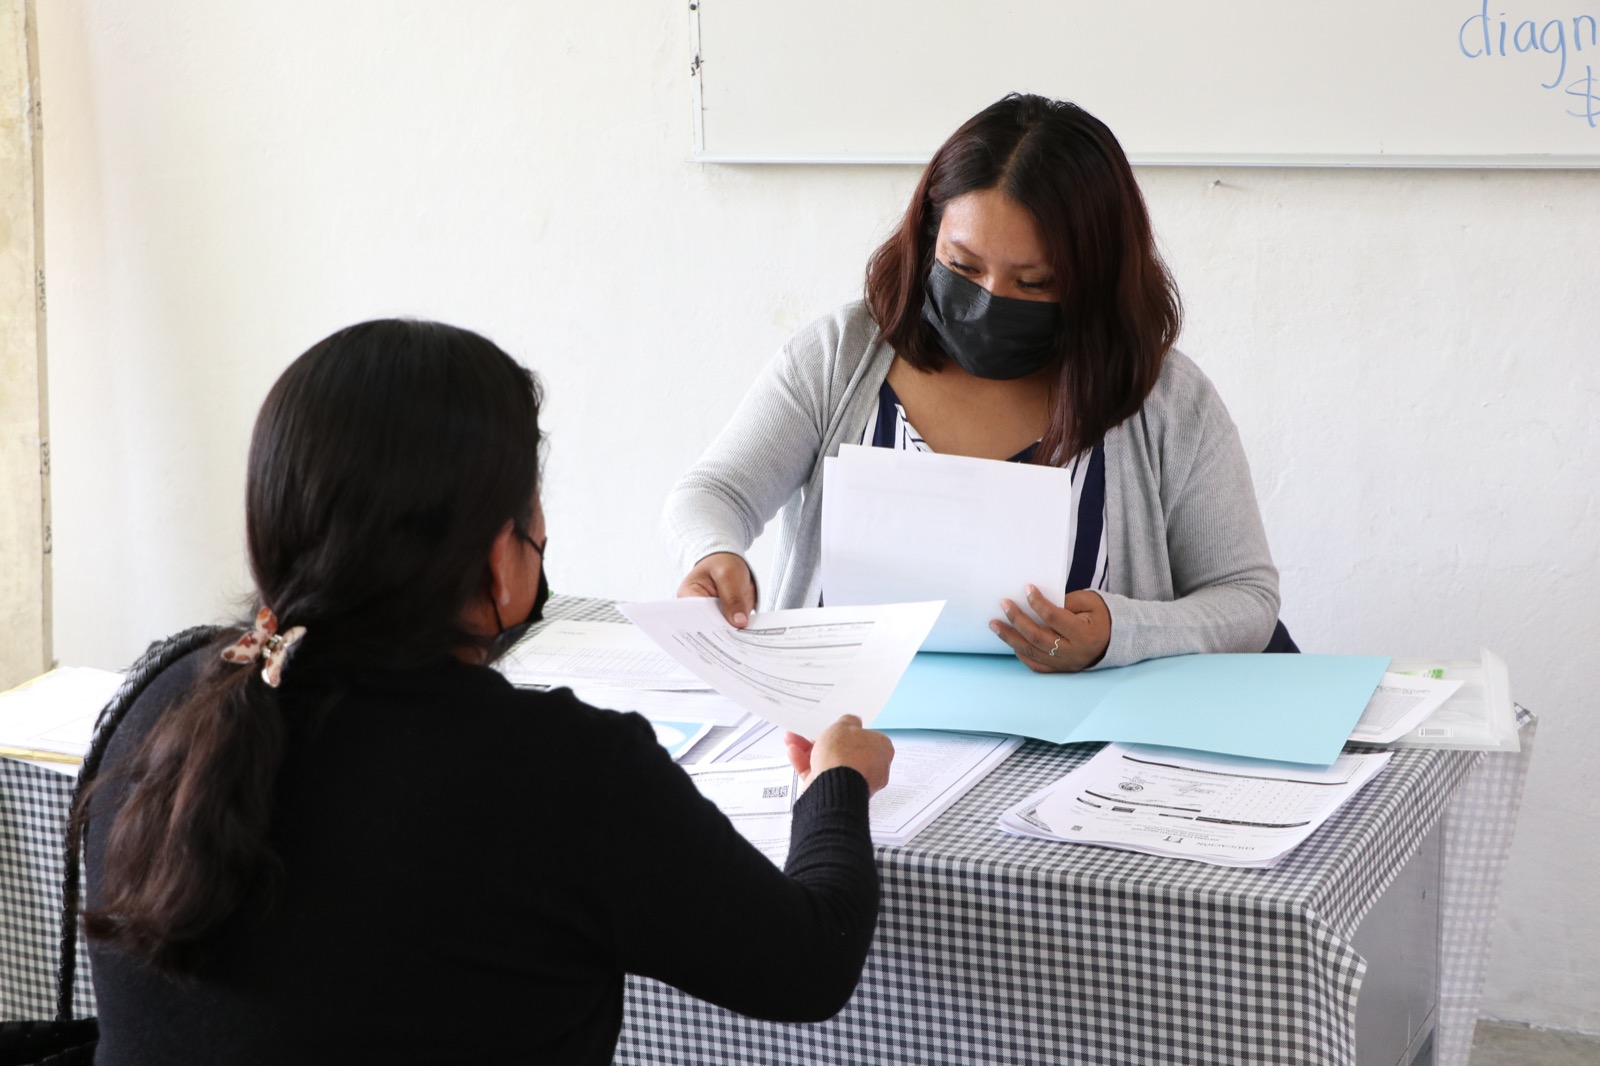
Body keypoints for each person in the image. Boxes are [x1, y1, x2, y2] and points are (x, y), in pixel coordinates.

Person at [78, 319, 895, 1064]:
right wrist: (836, 781)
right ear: (501, 561)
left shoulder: (164, 702)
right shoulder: (567, 771)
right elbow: (809, 962)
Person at [663, 93, 1295, 673]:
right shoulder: (840, 356)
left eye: (1034, 282)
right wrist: (713, 553)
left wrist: (1120, 633)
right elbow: (714, 492)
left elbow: (1246, 598)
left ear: (1097, 280)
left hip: (1074, 746)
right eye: (963, 266)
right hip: (847, 732)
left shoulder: (1167, 400)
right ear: (927, 236)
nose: (990, 299)